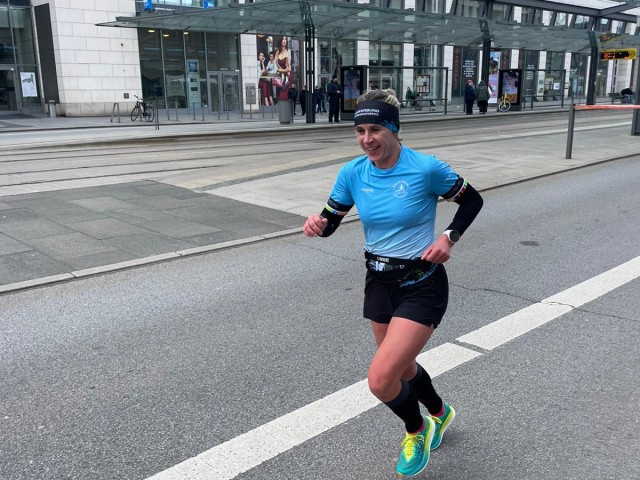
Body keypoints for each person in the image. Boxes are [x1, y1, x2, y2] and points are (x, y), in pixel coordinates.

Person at [303, 89, 483, 478]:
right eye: (360, 130)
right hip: (379, 282)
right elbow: (331, 217)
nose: (367, 139)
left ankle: (417, 428)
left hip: (422, 281)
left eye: (375, 130)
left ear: (394, 130)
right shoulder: (353, 172)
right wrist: (318, 224)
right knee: (402, 369)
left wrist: (448, 237)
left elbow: (472, 201)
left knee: (381, 378)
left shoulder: (426, 168)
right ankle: (440, 411)